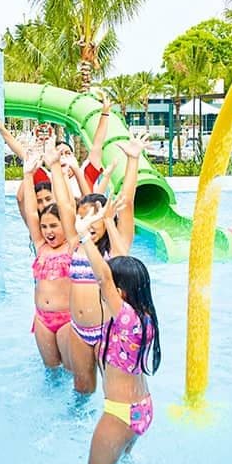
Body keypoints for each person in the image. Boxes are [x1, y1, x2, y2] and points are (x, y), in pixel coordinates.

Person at [52, 135, 148, 395]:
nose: (89, 223)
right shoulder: (76, 243)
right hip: (78, 329)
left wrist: (133, 159)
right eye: (83, 218)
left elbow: (126, 202)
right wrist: (54, 167)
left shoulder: (117, 247)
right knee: (82, 387)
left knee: (112, 390)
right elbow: (63, 203)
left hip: (108, 329)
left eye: (95, 216)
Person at [76, 199, 161, 464]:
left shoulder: (125, 318)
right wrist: (110, 224)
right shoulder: (143, 315)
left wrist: (82, 234)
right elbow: (124, 262)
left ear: (120, 292)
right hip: (142, 408)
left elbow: (104, 276)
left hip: (120, 413)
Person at [21, 150, 74, 370]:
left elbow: (65, 205)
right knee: (51, 372)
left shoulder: (72, 246)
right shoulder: (41, 246)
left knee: (70, 372)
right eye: (45, 227)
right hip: (42, 318)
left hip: (67, 319)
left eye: (54, 225)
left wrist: (55, 169)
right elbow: (32, 212)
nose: (48, 231)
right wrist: (27, 174)